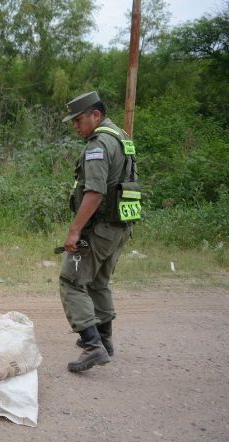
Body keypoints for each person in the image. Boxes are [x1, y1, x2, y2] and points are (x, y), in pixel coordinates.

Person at [59, 91, 138, 373]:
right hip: (121, 227)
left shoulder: (98, 144)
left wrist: (74, 231)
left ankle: (92, 345)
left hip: (101, 228)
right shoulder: (121, 135)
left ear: (96, 114)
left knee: (71, 280)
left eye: (79, 120)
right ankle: (104, 339)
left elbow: (94, 192)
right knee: (99, 282)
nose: (75, 126)